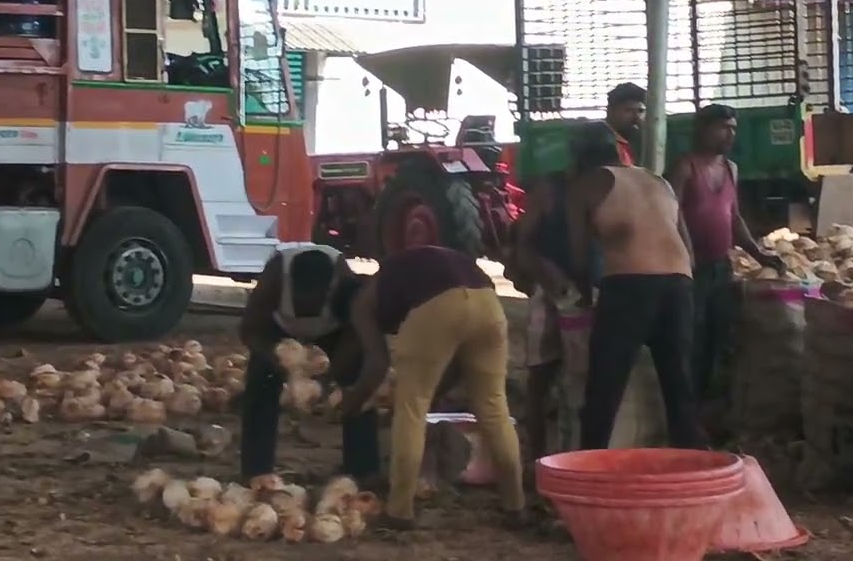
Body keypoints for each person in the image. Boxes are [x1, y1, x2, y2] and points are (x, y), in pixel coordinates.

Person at [328, 245, 524, 529]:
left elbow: (377, 364)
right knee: (494, 407)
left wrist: (353, 402)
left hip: (437, 306)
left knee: (411, 410)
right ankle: (515, 505)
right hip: (488, 304)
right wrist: (434, 391)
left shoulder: (360, 302)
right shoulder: (407, 270)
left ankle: (399, 511)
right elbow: (455, 365)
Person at [565, 123, 707, 450]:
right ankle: (692, 464)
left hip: (629, 287)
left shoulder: (586, 185)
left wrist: (586, 297)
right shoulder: (657, 180)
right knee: (679, 384)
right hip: (679, 284)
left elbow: (580, 256)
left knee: (605, 385)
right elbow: (688, 251)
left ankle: (591, 463)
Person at [666, 104, 784, 401]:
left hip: (721, 267)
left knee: (720, 336)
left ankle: (709, 402)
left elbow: (734, 218)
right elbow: (669, 212)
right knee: (691, 339)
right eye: (723, 128)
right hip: (688, 269)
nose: (729, 134)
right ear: (702, 130)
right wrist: (686, 252)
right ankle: (686, 406)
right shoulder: (684, 166)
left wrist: (759, 255)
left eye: (733, 128)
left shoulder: (731, 169)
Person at [238, 244, 380, 483]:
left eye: (314, 301)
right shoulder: (274, 278)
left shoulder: (343, 280)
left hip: (335, 332)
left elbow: (357, 332)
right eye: (301, 299)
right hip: (280, 332)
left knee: (358, 380)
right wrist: (277, 359)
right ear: (289, 284)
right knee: (260, 383)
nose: (307, 307)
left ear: (329, 291)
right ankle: (256, 469)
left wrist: (329, 378)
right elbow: (249, 329)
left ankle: (362, 468)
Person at [511, 170, 603, 464]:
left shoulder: (578, 188)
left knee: (571, 383)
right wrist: (551, 278)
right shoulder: (553, 190)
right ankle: (542, 463)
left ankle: (565, 461)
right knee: (550, 381)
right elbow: (522, 245)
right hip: (561, 291)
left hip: (575, 291)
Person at [605, 82, 647, 164]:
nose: (637, 117)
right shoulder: (601, 142)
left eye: (640, 111)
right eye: (629, 111)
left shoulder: (640, 142)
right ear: (610, 111)